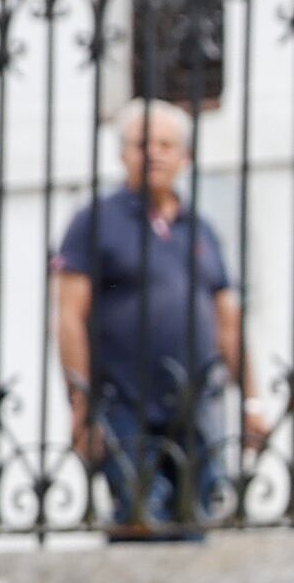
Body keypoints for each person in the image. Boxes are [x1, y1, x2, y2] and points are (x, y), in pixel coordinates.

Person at [51, 100, 264, 539]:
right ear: (122, 153)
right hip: (123, 404)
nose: (155, 153)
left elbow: (228, 319)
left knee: (196, 525)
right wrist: (80, 405)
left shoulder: (199, 228)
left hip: (196, 406)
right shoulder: (95, 221)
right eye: (142, 143)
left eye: (167, 144)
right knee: (141, 521)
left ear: (185, 157)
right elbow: (69, 317)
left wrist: (252, 402)